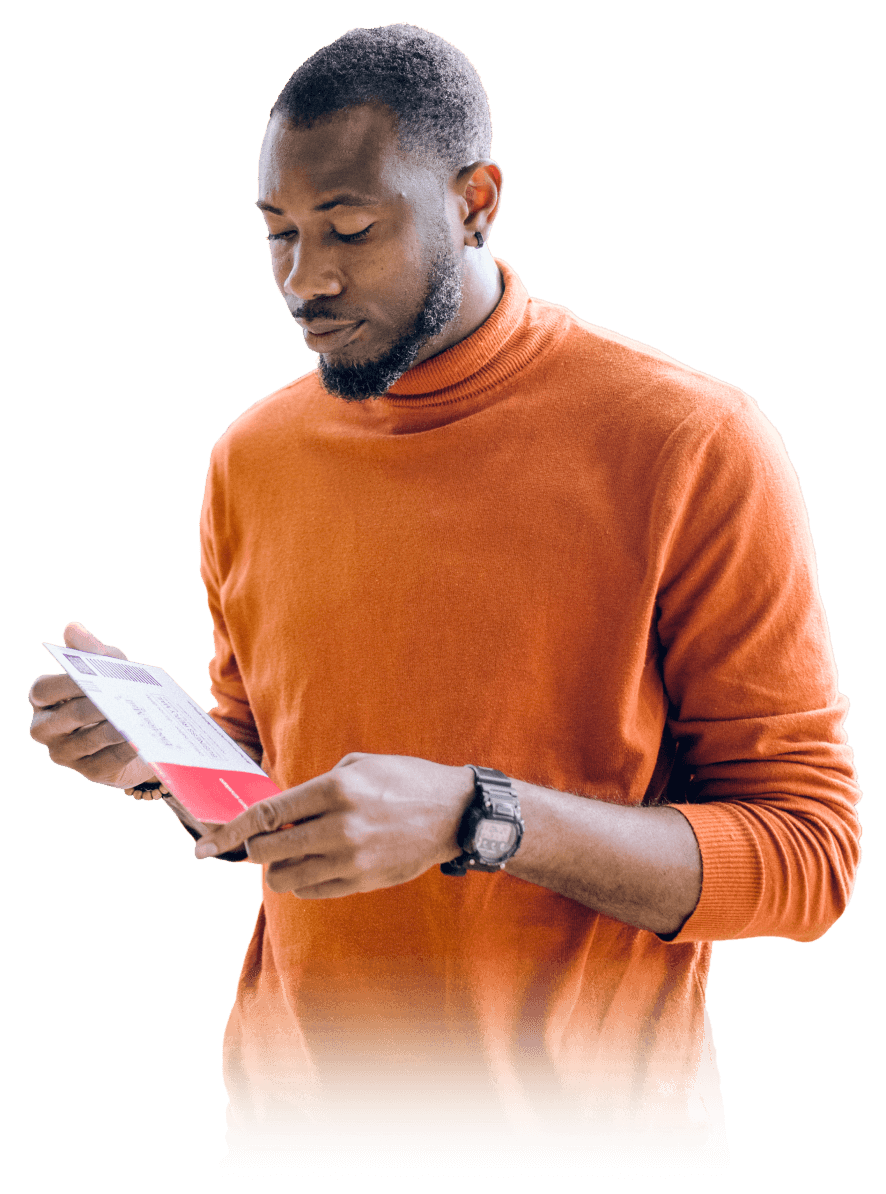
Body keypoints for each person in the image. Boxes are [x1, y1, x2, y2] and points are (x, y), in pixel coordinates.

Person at [27, 24, 861, 1176]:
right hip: (290, 1132)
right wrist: (162, 758)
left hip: (594, 1145)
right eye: (278, 233)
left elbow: (807, 858)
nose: (305, 282)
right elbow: (268, 787)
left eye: (352, 230)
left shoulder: (690, 442)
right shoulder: (250, 458)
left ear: (477, 201)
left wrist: (478, 816)